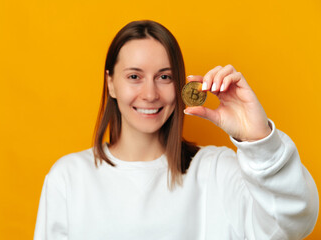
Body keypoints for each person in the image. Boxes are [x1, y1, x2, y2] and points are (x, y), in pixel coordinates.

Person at [34, 20, 318, 239]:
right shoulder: (68, 178)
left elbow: (293, 224)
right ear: (110, 83)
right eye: (134, 76)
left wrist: (259, 140)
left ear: (180, 84)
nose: (150, 93)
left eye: (164, 77)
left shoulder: (215, 170)